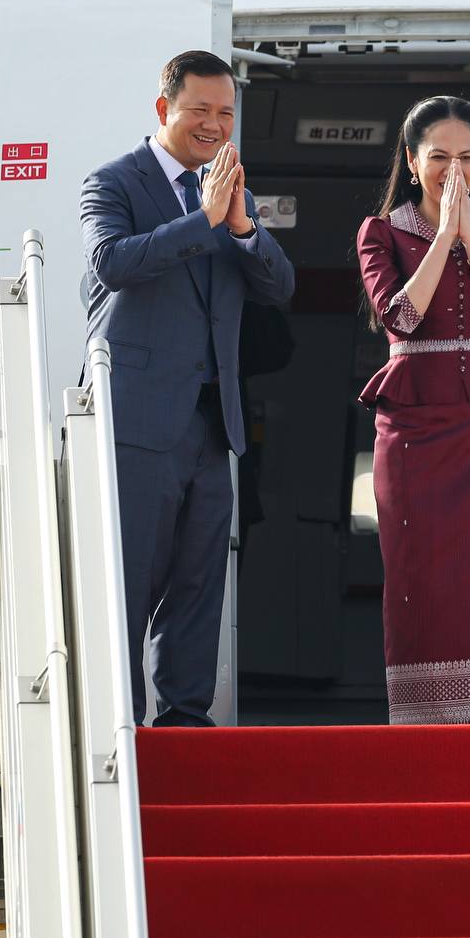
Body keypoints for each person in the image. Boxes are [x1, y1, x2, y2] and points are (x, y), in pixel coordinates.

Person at [80, 50, 295, 726]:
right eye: (199, 109)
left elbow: (278, 287)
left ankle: (184, 726)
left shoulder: (232, 192)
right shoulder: (114, 181)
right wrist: (202, 220)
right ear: (163, 108)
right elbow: (111, 263)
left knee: (200, 585)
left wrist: (241, 226)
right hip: (136, 422)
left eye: (225, 113)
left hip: (212, 423)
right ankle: (120, 730)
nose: (213, 125)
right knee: (131, 578)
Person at [357, 95, 470, 726]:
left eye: (466, 156)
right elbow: (398, 316)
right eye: (439, 156)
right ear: (412, 162)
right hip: (413, 431)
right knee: (421, 578)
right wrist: (444, 239)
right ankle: (421, 726)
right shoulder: (379, 233)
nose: (453, 169)